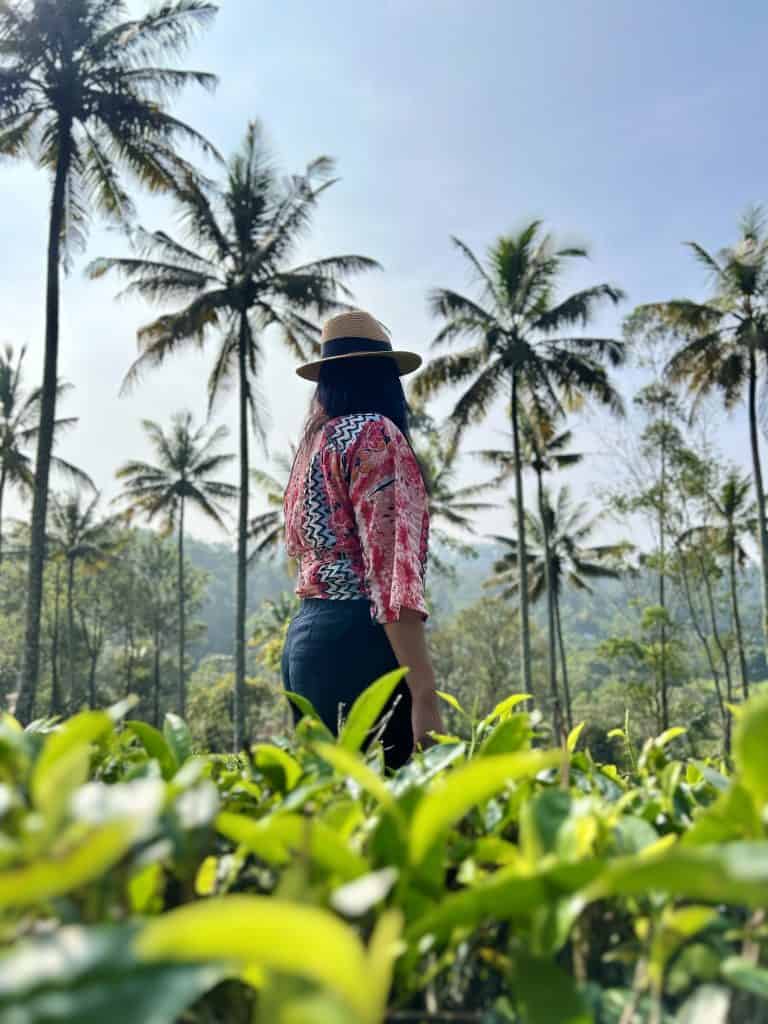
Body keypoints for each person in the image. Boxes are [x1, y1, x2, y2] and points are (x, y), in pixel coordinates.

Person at [282, 309, 444, 769]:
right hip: (361, 642)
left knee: (331, 809)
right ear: (386, 380)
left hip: (306, 642)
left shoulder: (313, 445)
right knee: (390, 810)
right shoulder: (376, 435)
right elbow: (391, 571)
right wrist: (424, 691)